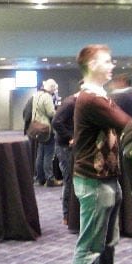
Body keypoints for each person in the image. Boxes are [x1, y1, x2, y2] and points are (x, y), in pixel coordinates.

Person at [67, 44, 132, 264]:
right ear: (92, 64)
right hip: (93, 180)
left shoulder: (99, 96)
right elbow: (127, 124)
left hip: (106, 177)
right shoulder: (91, 99)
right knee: (91, 246)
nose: (112, 65)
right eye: (107, 61)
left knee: (107, 243)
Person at [52, 86, 79, 227]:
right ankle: (67, 215)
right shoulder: (70, 103)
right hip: (64, 147)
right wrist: (70, 137)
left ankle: (71, 213)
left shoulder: (76, 103)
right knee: (69, 179)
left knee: (72, 179)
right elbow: (56, 122)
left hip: (69, 147)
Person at [31, 79, 61, 186]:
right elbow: (51, 113)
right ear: (52, 88)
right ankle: (50, 179)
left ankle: (40, 178)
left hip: (37, 127)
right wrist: (59, 112)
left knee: (40, 154)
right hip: (46, 129)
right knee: (48, 154)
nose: (55, 91)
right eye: (55, 89)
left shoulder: (37, 95)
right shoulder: (47, 97)